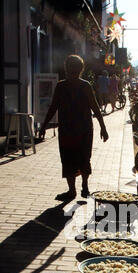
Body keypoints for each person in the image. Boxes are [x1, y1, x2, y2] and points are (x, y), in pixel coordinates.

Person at [39, 55, 109, 201]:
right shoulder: (85, 86)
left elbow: (53, 108)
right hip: (84, 129)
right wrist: (103, 127)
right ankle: (85, 185)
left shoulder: (61, 86)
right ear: (81, 69)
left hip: (67, 130)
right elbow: (95, 108)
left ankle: (72, 191)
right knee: (84, 157)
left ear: (66, 68)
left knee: (68, 159)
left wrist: (43, 126)